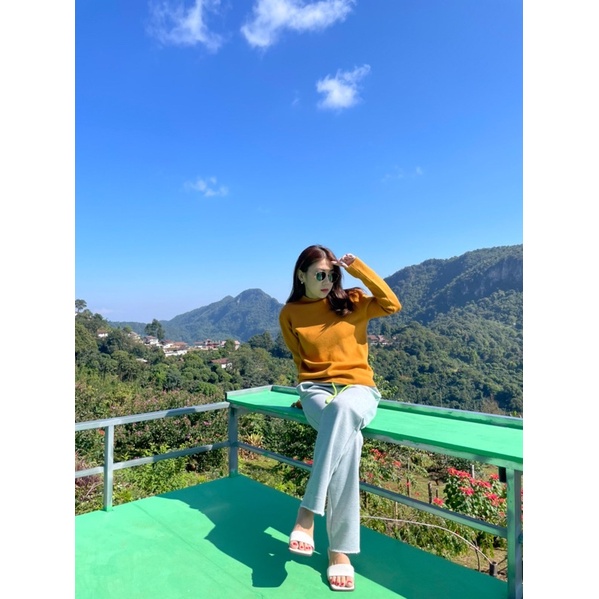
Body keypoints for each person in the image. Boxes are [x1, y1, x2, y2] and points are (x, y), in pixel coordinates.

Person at [278, 245, 402, 592]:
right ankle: (339, 552)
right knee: (351, 439)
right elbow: (300, 361)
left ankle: (307, 514)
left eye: (332, 275)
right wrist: (305, 396)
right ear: (301, 275)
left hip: (358, 390)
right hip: (315, 391)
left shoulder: (353, 301)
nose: (327, 280)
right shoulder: (290, 313)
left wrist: (357, 268)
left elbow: (392, 304)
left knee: (344, 411)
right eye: (319, 274)